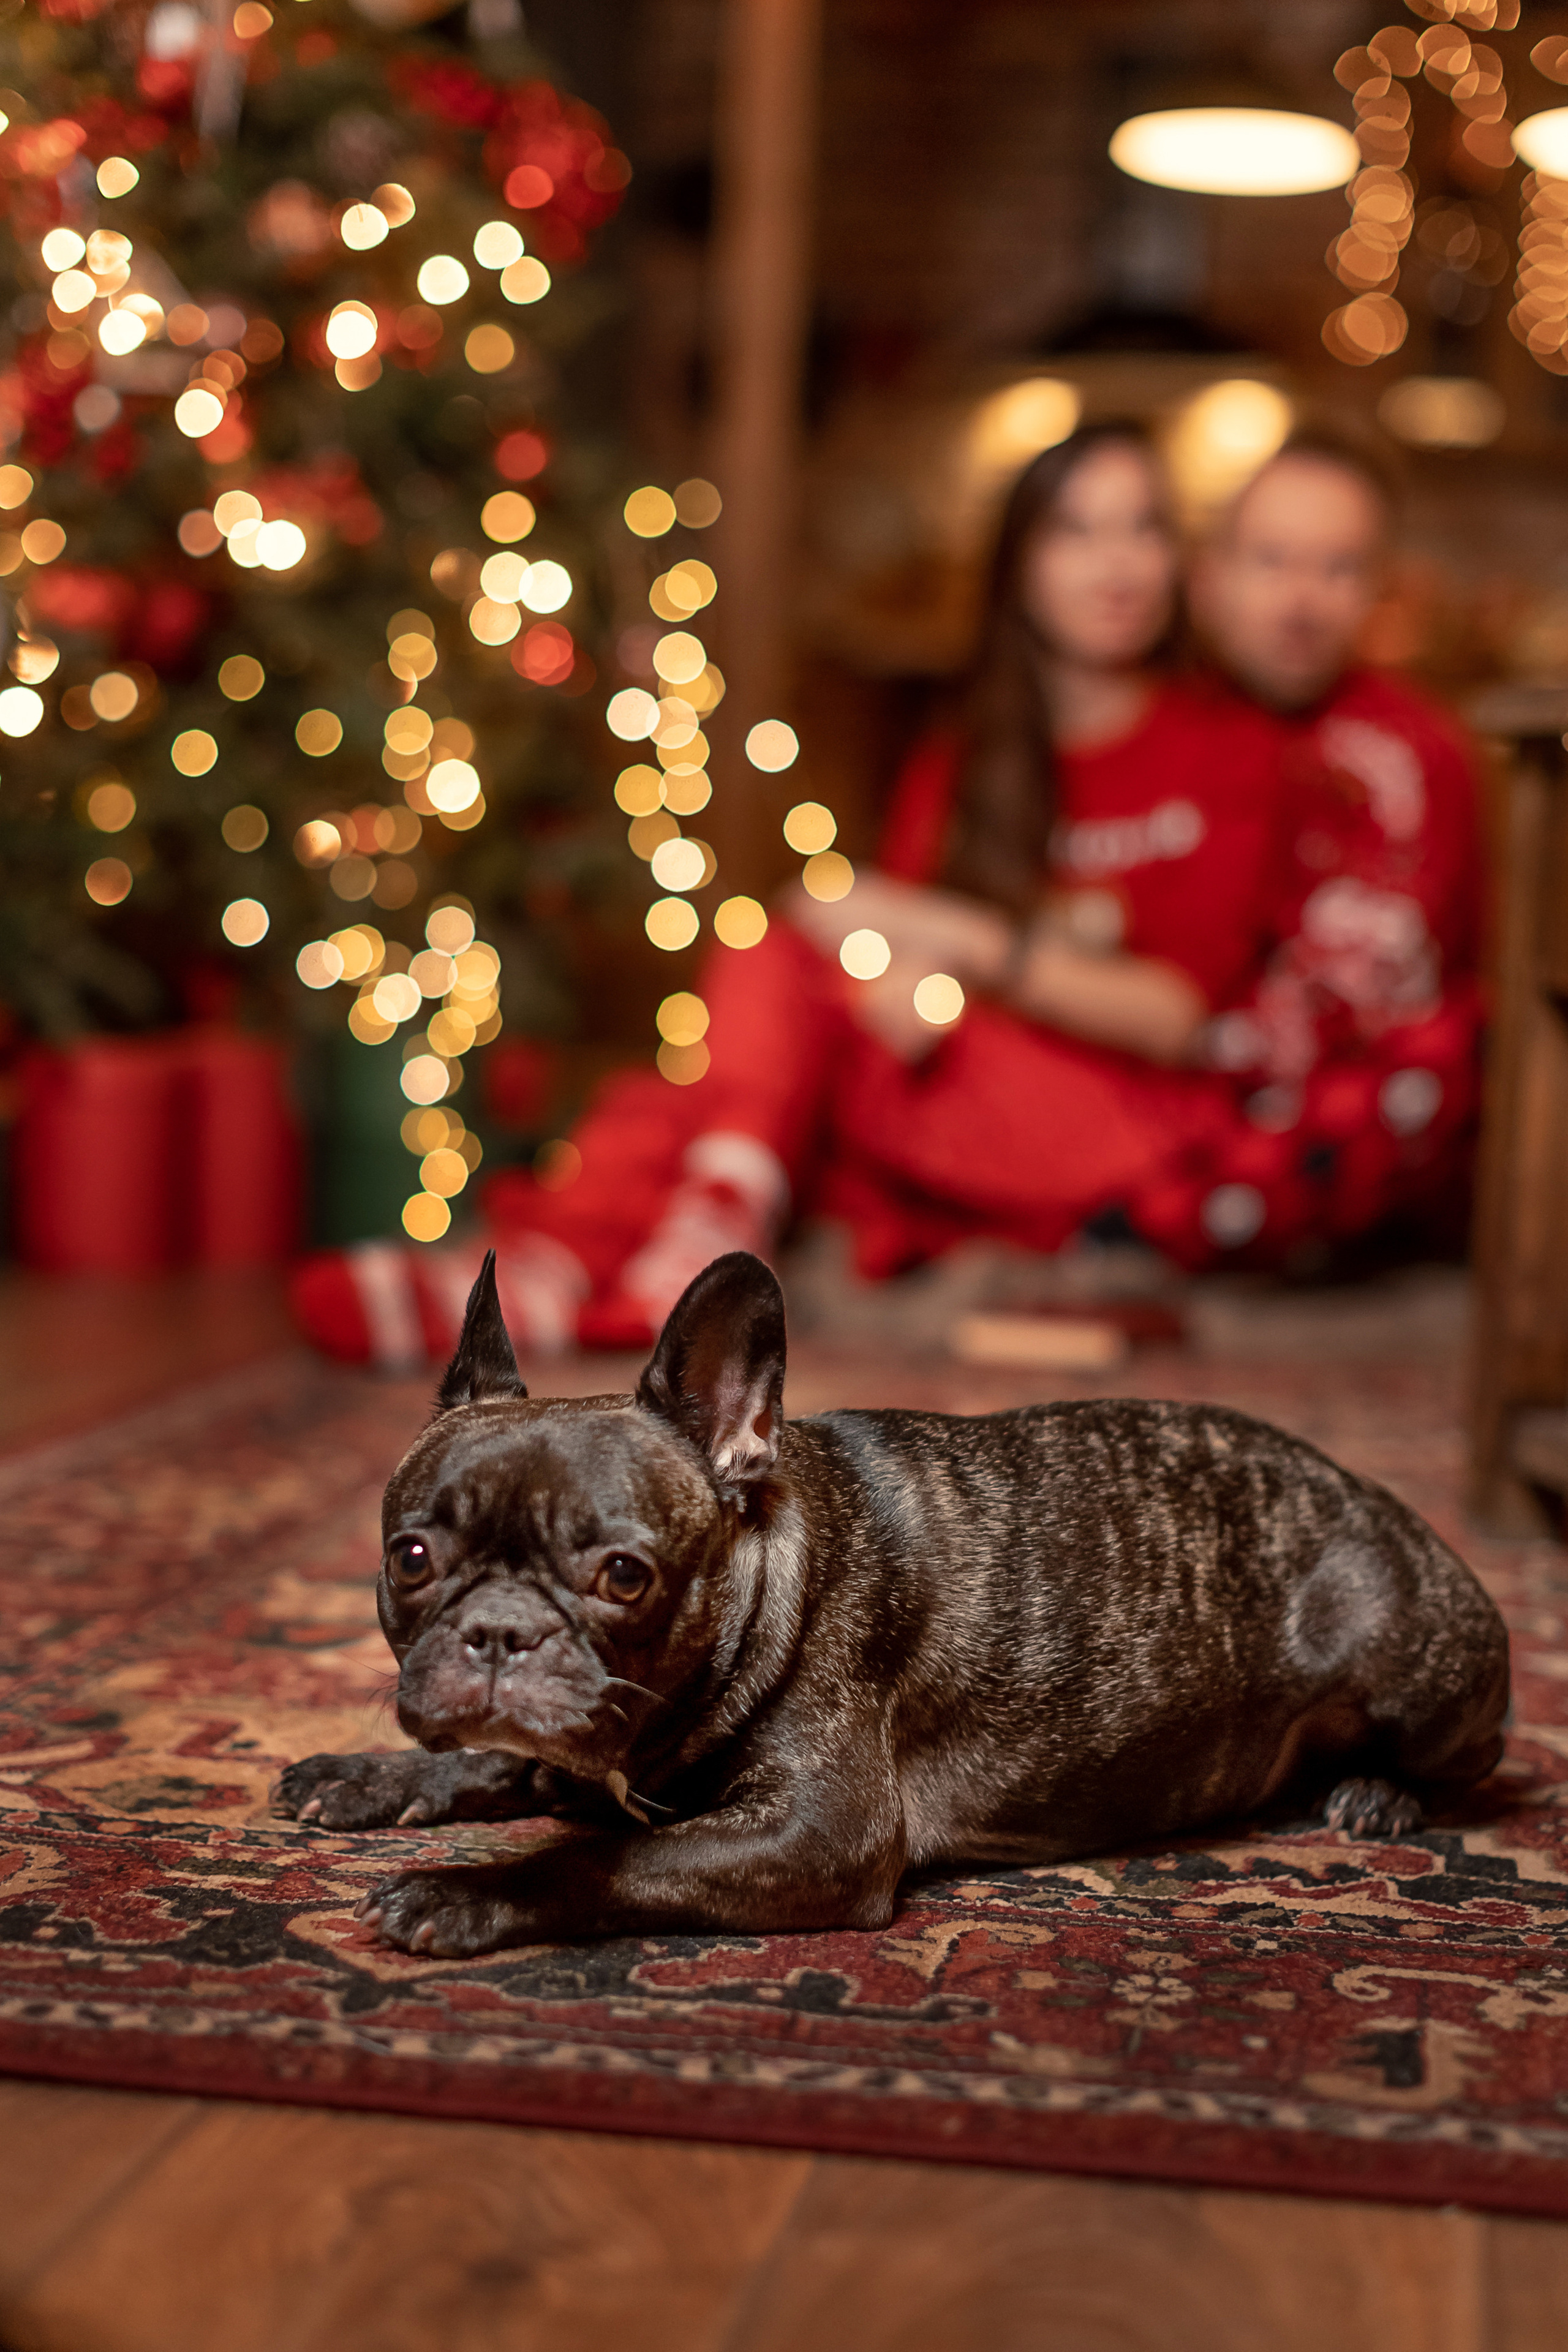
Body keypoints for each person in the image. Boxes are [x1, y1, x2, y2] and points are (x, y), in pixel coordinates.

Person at [292, 422, 1287, 1366]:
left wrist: (960, 944)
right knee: (762, 999)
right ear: (1019, 564)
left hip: (1135, 1128)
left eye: (1144, 528)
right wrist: (902, 972)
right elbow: (899, 966)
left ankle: (578, 1262)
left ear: (1178, 562)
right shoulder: (968, 762)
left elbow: (1180, 1020)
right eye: (1077, 530)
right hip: (952, 1092)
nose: (1115, 564)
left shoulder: (1225, 750)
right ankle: (587, 1263)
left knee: (763, 1022)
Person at [1119, 429, 1486, 1270]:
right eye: (1273, 560)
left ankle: (1177, 1217)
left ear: (1382, 594)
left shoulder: (1416, 753)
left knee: (1455, 1052)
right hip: (1172, 1095)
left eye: (1339, 568)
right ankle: (1182, 1207)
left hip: (1343, 1111)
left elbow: (1406, 985)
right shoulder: (1165, 730)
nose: (1302, 599)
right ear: (1211, 579)